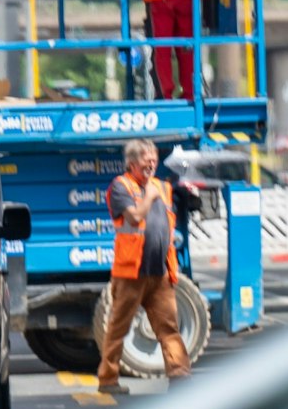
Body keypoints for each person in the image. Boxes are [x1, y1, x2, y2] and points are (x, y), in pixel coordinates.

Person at [98, 139, 190, 393]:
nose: (151, 162)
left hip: (159, 272)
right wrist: (148, 197)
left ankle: (180, 375)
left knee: (168, 328)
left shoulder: (163, 187)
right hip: (131, 273)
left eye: (153, 157)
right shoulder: (121, 186)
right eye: (144, 158)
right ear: (131, 163)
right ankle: (108, 379)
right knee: (118, 328)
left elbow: (166, 225)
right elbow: (135, 216)